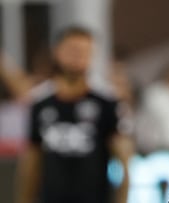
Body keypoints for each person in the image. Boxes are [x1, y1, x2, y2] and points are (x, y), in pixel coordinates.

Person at [15, 26, 133, 203]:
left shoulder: (107, 102)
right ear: (57, 52)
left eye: (84, 51)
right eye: (72, 50)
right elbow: (32, 159)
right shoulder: (40, 103)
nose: (78, 56)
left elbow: (124, 161)